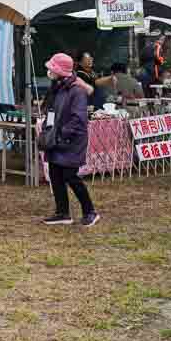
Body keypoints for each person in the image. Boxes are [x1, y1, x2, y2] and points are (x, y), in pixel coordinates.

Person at [40, 53, 99, 227]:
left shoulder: (76, 91)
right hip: (57, 139)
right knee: (55, 174)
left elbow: (79, 120)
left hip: (71, 141)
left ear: (60, 71)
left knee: (70, 176)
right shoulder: (58, 87)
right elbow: (52, 113)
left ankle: (90, 211)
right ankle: (62, 212)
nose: (49, 71)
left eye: (52, 69)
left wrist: (61, 134)